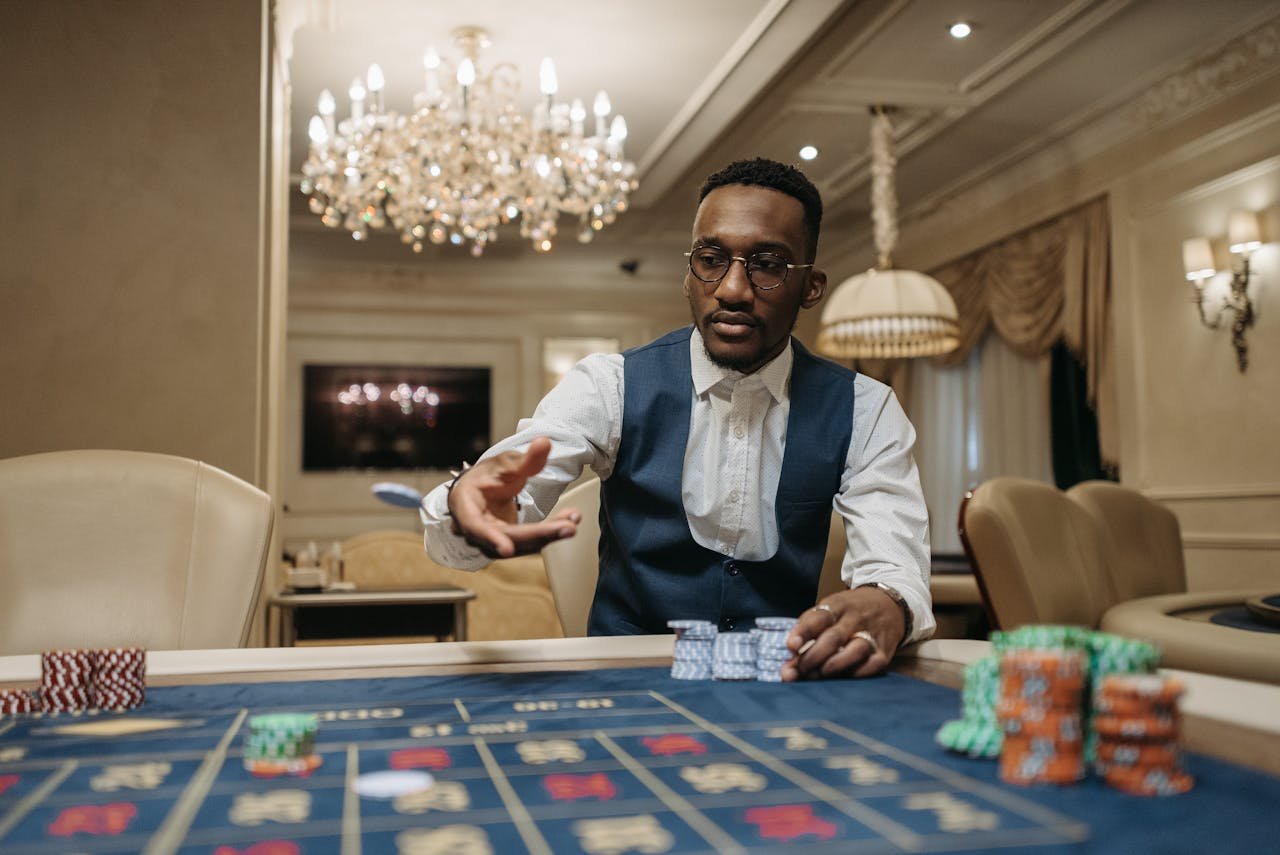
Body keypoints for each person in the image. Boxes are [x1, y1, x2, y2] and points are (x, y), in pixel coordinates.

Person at [422, 157, 932, 680]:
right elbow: (504, 497)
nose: (732, 289)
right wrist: (471, 506)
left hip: (783, 687)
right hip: (624, 689)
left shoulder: (866, 407)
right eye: (711, 259)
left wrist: (887, 601)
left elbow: (895, 568)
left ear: (811, 287)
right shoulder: (608, 384)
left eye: (768, 264)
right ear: (688, 275)